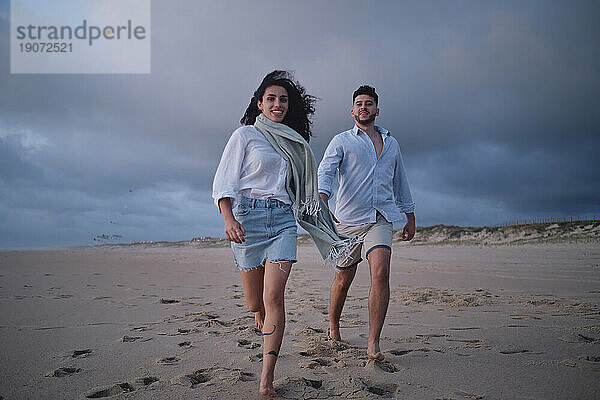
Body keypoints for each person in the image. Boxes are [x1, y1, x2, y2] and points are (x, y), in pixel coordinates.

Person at [212, 71, 349, 397]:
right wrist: (228, 218)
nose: (277, 104)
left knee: (275, 298)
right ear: (259, 103)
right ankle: (258, 313)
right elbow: (224, 181)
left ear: (289, 105)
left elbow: (302, 188)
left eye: (283, 100)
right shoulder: (244, 136)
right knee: (254, 304)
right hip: (248, 219)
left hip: (283, 222)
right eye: (271, 99)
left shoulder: (292, 141)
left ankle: (266, 378)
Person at [317, 85, 416, 361]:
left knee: (381, 272)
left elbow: (400, 182)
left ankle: (373, 341)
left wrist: (410, 216)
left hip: (380, 219)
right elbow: (325, 172)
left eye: (369, 103)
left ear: (377, 110)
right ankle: (334, 325)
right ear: (352, 110)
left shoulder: (391, 144)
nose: (364, 107)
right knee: (343, 278)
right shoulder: (341, 141)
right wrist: (323, 199)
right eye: (359, 103)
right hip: (348, 222)